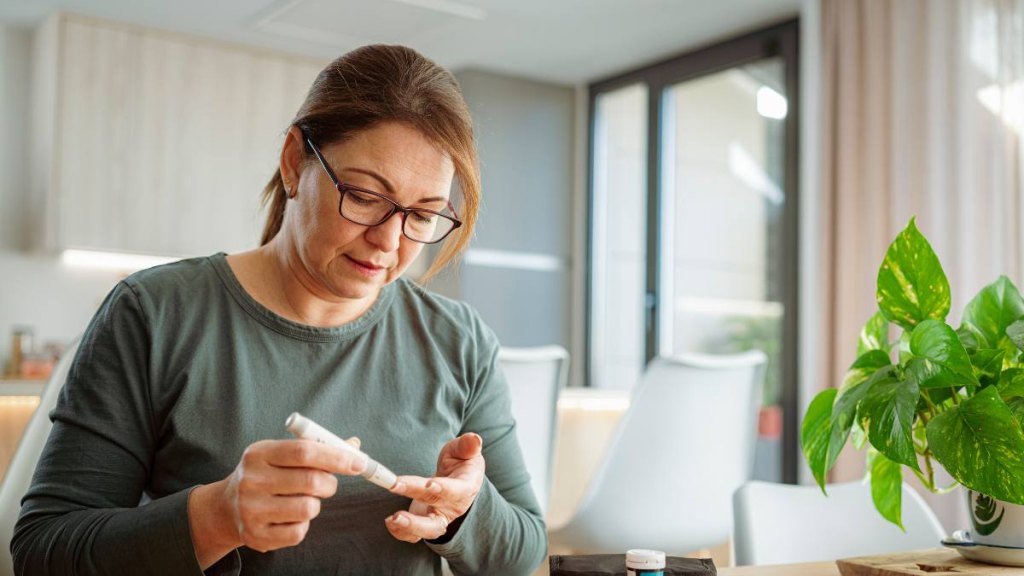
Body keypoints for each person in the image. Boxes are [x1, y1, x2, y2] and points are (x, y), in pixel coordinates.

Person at [11, 45, 547, 575]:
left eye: (423, 215)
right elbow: (43, 550)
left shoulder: (460, 341)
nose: (389, 241)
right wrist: (215, 518)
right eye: (363, 196)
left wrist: (465, 513)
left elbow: (524, 552)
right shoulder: (154, 314)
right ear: (295, 162)